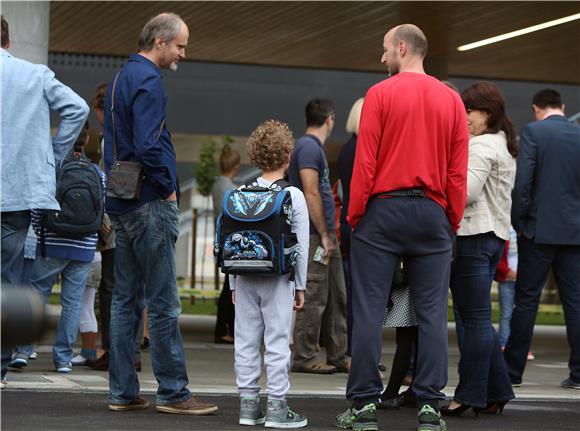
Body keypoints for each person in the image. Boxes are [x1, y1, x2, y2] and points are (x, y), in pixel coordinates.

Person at [335, 24, 469, 431]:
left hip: (383, 211)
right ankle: (430, 407)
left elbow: (366, 163)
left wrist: (355, 215)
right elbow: (456, 171)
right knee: (430, 313)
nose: (382, 58)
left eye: (385, 50)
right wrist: (451, 218)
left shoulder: (379, 94)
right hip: (432, 213)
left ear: (402, 48)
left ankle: (362, 407)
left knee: (370, 309)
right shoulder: (451, 100)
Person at [103, 13, 218, 414]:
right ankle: (173, 392)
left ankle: (122, 391)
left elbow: (120, 141)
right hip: (150, 200)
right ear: (159, 42)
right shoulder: (149, 79)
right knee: (164, 302)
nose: (183, 54)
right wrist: (168, 186)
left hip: (122, 199)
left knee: (124, 300)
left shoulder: (121, 77)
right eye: (180, 46)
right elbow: (149, 144)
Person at [0, 15, 89, 383]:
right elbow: (78, 109)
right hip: (16, 194)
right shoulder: (33, 75)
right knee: (9, 283)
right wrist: (50, 156)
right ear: (8, 40)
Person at [443, 82, 517, 417]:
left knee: (471, 319)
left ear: (486, 113)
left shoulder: (482, 146)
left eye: (468, 111)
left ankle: (468, 394)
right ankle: (497, 391)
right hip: (493, 237)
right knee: (478, 319)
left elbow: (467, 192)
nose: (464, 117)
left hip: (473, 235)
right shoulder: (502, 143)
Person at [232, 119, 309, 429]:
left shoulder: (241, 192)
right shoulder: (293, 196)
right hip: (278, 279)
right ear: (288, 156)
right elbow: (300, 247)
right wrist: (300, 286)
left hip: (245, 276)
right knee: (277, 341)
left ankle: (248, 406)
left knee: (246, 340)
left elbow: (232, 241)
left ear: (255, 156)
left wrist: (233, 282)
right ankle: (277, 407)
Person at [505, 89, 580, 390]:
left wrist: (519, 222)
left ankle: (513, 373)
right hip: (574, 233)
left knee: (526, 301)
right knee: (575, 303)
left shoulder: (533, 133)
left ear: (537, 109)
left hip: (538, 231)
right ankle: (578, 373)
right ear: (562, 107)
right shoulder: (578, 135)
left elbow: (523, 182)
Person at [28, 121, 105, 373]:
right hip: (83, 248)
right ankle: (62, 359)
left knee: (38, 295)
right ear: (86, 141)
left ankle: (25, 349)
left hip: (53, 243)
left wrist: (41, 233)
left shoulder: (54, 168)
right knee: (72, 303)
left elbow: (40, 206)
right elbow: (101, 210)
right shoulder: (97, 173)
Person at [288, 98, 349, 375]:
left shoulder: (312, 148)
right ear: (330, 119)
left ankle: (338, 354)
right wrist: (324, 235)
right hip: (315, 236)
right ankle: (304, 356)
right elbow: (310, 192)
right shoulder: (308, 148)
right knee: (313, 297)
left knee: (337, 296)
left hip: (326, 235)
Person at [337, 97, 364, 357]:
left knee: (354, 290)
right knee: (364, 293)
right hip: (361, 224)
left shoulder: (347, 149)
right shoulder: (362, 150)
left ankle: (353, 348)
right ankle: (360, 351)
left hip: (348, 223)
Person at [212, 144, 241, 344]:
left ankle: (224, 328)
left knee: (227, 287)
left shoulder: (216, 185)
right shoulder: (230, 189)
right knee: (230, 288)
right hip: (229, 241)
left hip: (220, 240)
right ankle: (224, 329)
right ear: (236, 166)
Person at [495, 226, 536, 361]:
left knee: (523, 312)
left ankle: (521, 346)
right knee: (506, 314)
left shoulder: (526, 231)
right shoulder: (504, 228)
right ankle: (503, 343)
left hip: (524, 278)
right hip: (507, 278)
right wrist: (506, 271)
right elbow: (498, 255)